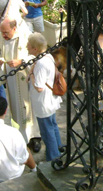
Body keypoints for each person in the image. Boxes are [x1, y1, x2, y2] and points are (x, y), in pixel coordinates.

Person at [0, 18, 42, 151]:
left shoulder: (26, 36)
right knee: (15, 106)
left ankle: (35, 137)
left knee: (30, 108)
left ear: (14, 28)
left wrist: (21, 61)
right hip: (11, 79)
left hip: (25, 77)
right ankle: (20, 137)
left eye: (6, 32)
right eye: (2, 32)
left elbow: (37, 55)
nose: (3, 35)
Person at [27, 33, 62, 161]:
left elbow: (39, 87)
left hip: (43, 103)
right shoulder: (48, 56)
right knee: (52, 126)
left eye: (29, 46)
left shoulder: (41, 63)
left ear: (35, 48)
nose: (27, 47)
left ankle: (52, 157)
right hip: (50, 100)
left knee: (47, 131)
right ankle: (59, 149)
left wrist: (31, 74)